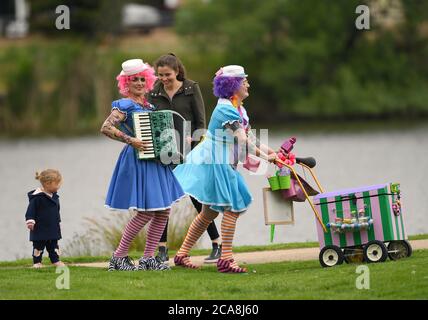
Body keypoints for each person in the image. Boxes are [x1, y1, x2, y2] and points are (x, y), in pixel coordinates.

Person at [173, 65, 278, 273]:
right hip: (217, 163)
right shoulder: (226, 109)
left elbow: (249, 138)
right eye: (244, 81)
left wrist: (273, 152)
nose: (248, 84)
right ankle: (226, 260)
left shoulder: (236, 107)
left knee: (208, 214)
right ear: (233, 85)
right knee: (233, 208)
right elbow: (243, 141)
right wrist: (267, 158)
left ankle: (181, 255)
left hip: (220, 161)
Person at [101, 58, 185, 271]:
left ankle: (148, 258)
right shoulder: (125, 105)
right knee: (146, 211)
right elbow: (106, 127)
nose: (138, 83)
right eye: (134, 80)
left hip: (155, 160)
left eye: (142, 79)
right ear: (126, 83)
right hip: (138, 160)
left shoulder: (148, 105)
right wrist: (132, 140)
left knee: (163, 210)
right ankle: (118, 257)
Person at [148, 53, 222, 264]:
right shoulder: (154, 92)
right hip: (163, 154)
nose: (163, 78)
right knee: (163, 201)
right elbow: (152, 121)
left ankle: (217, 243)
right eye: (160, 75)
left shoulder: (190, 88)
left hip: (189, 153)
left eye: (167, 74)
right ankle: (162, 249)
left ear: (177, 71)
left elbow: (201, 122)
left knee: (198, 199)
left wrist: (195, 146)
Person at [25, 169, 65, 268]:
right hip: (40, 228)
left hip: (52, 227)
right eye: (57, 184)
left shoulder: (55, 197)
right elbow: (30, 211)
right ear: (48, 184)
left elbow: (57, 212)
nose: (59, 186)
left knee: (54, 246)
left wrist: (58, 222)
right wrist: (30, 221)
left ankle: (55, 260)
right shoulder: (37, 198)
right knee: (38, 246)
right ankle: (37, 262)